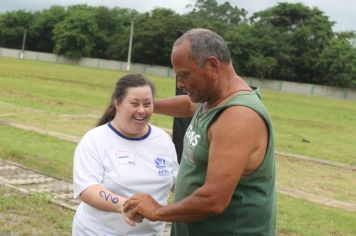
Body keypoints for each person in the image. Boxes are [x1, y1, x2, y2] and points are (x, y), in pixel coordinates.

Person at [124, 28, 276, 236]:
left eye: (184, 75)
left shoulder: (238, 117)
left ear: (213, 65)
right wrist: (144, 106)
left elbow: (213, 199)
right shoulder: (212, 99)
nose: (180, 83)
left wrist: (157, 211)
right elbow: (188, 106)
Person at [72, 74, 179, 236]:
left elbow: (177, 183)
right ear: (117, 103)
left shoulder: (163, 140)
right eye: (134, 104)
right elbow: (87, 189)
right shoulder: (94, 140)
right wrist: (127, 205)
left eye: (147, 104)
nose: (142, 110)